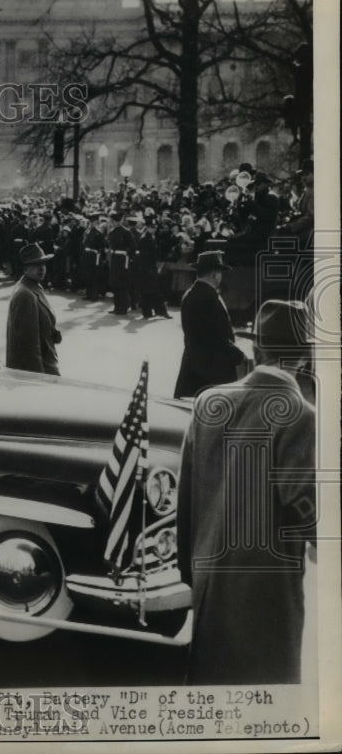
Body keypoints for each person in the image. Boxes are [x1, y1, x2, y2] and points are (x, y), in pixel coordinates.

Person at [177, 300, 316, 684]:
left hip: (208, 586)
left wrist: (192, 575)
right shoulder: (301, 416)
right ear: (304, 358)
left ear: (256, 350)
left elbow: (184, 505)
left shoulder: (208, 402)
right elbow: (308, 515)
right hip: (266, 603)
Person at [174, 250, 245, 398]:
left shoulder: (191, 293)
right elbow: (216, 338)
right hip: (211, 369)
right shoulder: (209, 297)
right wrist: (240, 356)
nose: (221, 276)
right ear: (214, 274)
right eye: (220, 272)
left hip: (194, 364)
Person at [5, 243, 62, 375]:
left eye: (43, 264)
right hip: (37, 372)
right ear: (25, 269)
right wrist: (39, 380)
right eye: (36, 264)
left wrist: (53, 333)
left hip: (46, 364)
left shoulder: (33, 286)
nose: (41, 268)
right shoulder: (25, 294)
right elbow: (29, 347)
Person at [106, 211, 137, 314]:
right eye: (111, 221)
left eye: (114, 221)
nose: (112, 223)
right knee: (114, 283)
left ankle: (123, 307)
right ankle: (116, 306)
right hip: (114, 258)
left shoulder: (126, 232)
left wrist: (128, 257)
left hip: (123, 260)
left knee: (122, 284)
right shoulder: (112, 232)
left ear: (119, 221)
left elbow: (133, 247)